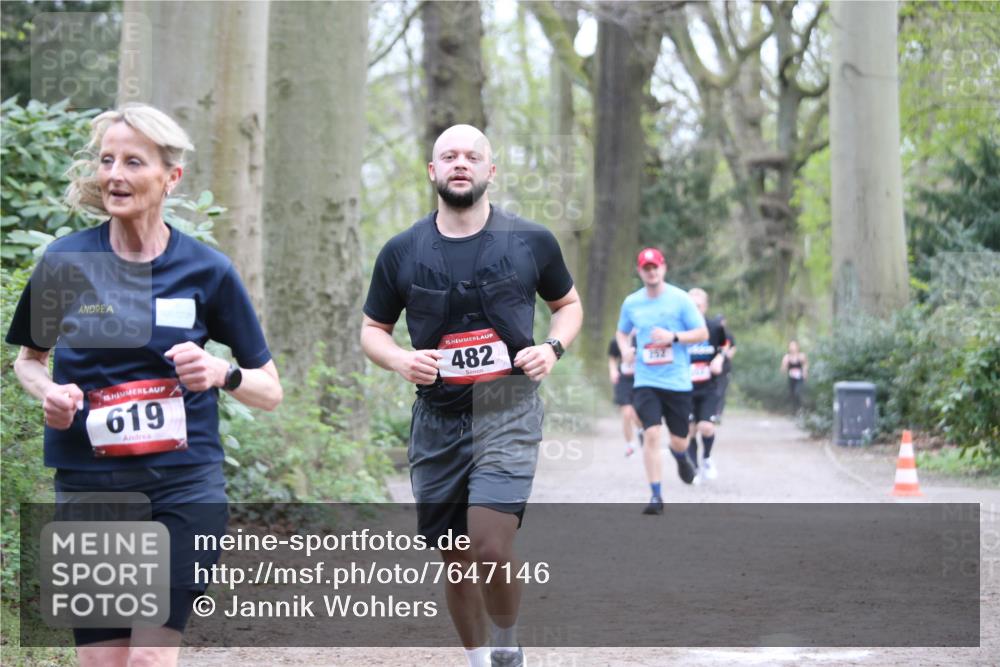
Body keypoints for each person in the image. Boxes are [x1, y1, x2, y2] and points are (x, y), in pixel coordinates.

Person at [5, 104, 283, 666]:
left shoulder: (208, 270)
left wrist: (221, 373)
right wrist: (49, 394)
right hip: (92, 485)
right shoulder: (65, 262)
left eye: (134, 162)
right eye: (107, 160)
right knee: (103, 662)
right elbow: (29, 361)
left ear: (170, 177)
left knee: (150, 659)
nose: (115, 174)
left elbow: (269, 389)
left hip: (183, 487)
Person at [360, 124, 582, 667]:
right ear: (433, 171)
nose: (461, 163)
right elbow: (372, 330)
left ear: (490, 171)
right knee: (456, 559)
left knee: (489, 545)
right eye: (449, 156)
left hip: (507, 410)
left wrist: (552, 348)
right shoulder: (402, 252)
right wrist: (400, 359)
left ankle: (508, 645)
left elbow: (569, 305)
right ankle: (478, 659)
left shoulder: (531, 240)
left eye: (473, 156)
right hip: (437, 420)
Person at [617, 248, 708, 515]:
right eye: (646, 268)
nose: (652, 271)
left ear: (663, 268)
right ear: (640, 271)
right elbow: (622, 333)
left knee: (679, 440)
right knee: (652, 433)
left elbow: (702, 332)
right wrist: (625, 350)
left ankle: (681, 456)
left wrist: (674, 337)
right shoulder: (631, 303)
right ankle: (656, 496)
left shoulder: (680, 299)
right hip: (646, 380)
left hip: (678, 382)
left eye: (655, 266)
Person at [685, 288, 727, 481]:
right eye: (691, 306)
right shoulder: (681, 328)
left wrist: (719, 358)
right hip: (685, 388)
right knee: (690, 430)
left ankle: (707, 458)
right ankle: (693, 469)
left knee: (706, 427)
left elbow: (725, 345)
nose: (695, 309)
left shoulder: (715, 327)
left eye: (698, 306)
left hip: (708, 387)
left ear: (705, 306)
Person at [608, 332, 642, 456]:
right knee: (627, 413)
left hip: (640, 380)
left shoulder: (642, 338)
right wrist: (612, 371)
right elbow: (612, 358)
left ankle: (640, 431)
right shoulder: (616, 340)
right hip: (623, 381)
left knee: (638, 415)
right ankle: (630, 445)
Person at [716, 319, 736, 421]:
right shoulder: (713, 333)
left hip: (724, 368)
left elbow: (733, 349)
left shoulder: (728, 336)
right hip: (713, 369)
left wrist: (727, 353)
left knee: (721, 391)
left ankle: (718, 413)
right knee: (714, 391)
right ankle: (712, 412)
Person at [781, 340, 808, 411]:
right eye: (791, 346)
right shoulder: (787, 357)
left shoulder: (801, 356)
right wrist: (785, 365)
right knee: (792, 395)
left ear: (797, 347)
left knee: (797, 392)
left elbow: (805, 366)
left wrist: (805, 373)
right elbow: (783, 369)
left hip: (800, 378)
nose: (792, 347)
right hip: (791, 378)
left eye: (793, 345)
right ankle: (794, 411)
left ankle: (801, 409)